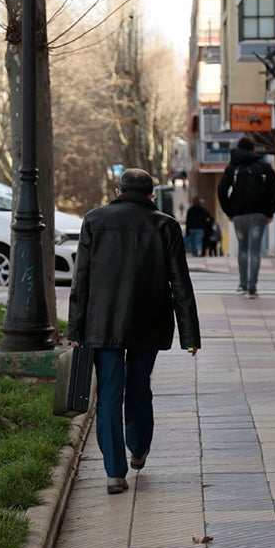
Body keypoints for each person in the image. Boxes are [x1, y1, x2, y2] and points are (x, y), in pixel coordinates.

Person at [68, 168, 202, 495]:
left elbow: (81, 279)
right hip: (149, 321)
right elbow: (180, 283)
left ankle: (115, 472)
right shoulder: (165, 225)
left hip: (102, 323)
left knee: (110, 392)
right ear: (151, 195)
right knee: (140, 385)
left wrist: (76, 327)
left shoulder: (94, 221)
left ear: (117, 191)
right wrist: (190, 336)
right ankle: (139, 448)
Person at [217, 136, 275, 297]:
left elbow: (222, 190)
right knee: (255, 250)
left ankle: (242, 283)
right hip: (259, 215)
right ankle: (253, 286)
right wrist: (269, 211)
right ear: (253, 149)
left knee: (242, 249)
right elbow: (274, 189)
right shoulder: (264, 166)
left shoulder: (233, 167)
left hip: (239, 215)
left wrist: (229, 211)